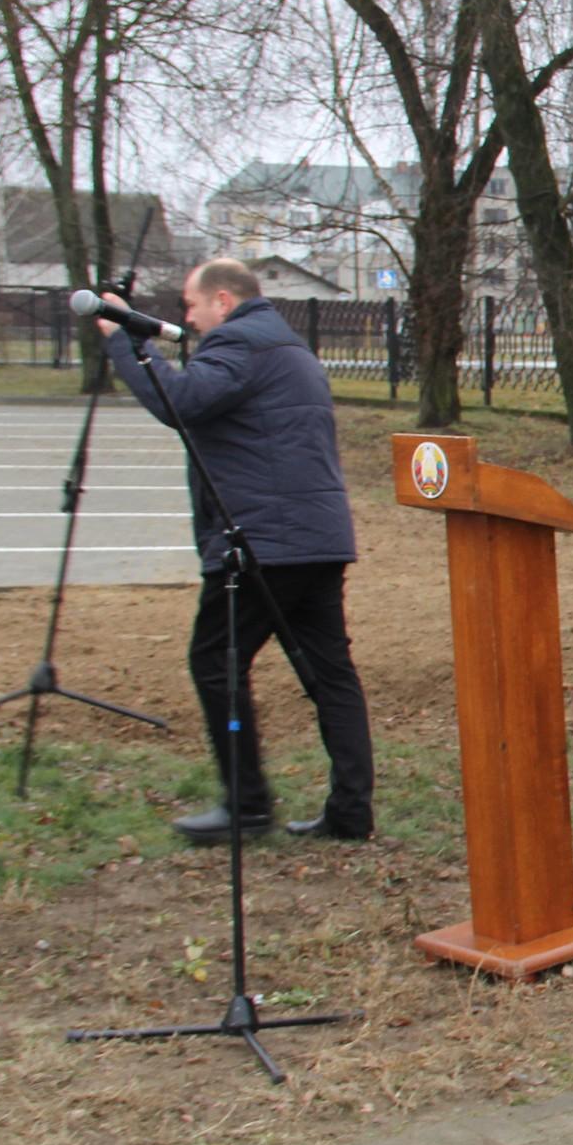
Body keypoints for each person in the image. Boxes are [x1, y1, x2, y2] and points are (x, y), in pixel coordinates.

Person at [102, 259, 375, 842]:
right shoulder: (286, 345)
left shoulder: (237, 342)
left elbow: (179, 403)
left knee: (215, 661)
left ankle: (247, 806)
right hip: (316, 536)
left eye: (191, 304)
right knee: (330, 675)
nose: (186, 317)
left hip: (263, 543)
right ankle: (351, 810)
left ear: (222, 300)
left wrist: (124, 343)